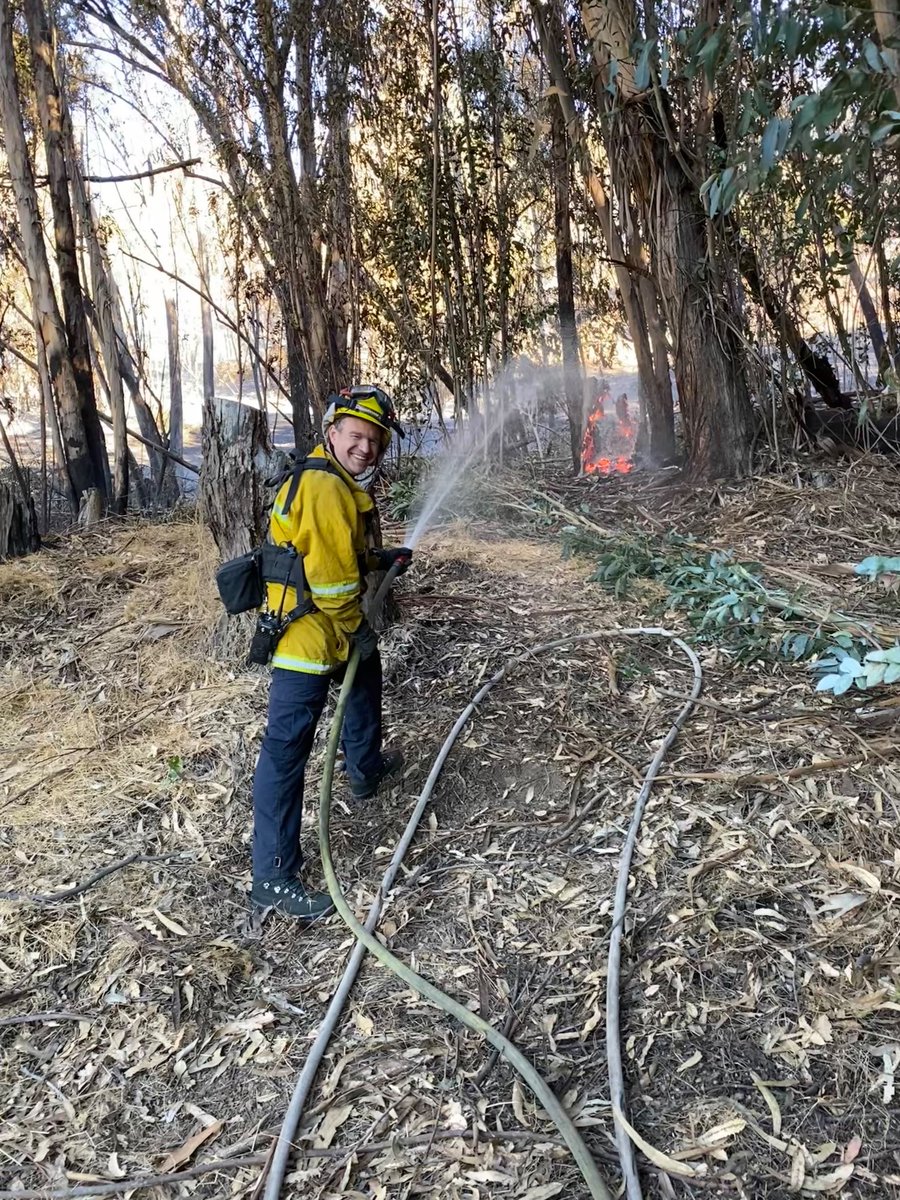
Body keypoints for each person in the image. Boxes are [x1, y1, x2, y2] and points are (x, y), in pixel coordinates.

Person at [250, 386, 412, 920]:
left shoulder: (333, 480)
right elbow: (333, 585)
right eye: (357, 436)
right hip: (306, 638)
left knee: (365, 679)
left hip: (329, 631)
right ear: (332, 433)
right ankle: (273, 877)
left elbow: (334, 553)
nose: (367, 448)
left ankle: (365, 769)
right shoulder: (324, 488)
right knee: (286, 751)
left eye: (376, 441)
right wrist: (357, 628)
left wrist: (379, 558)